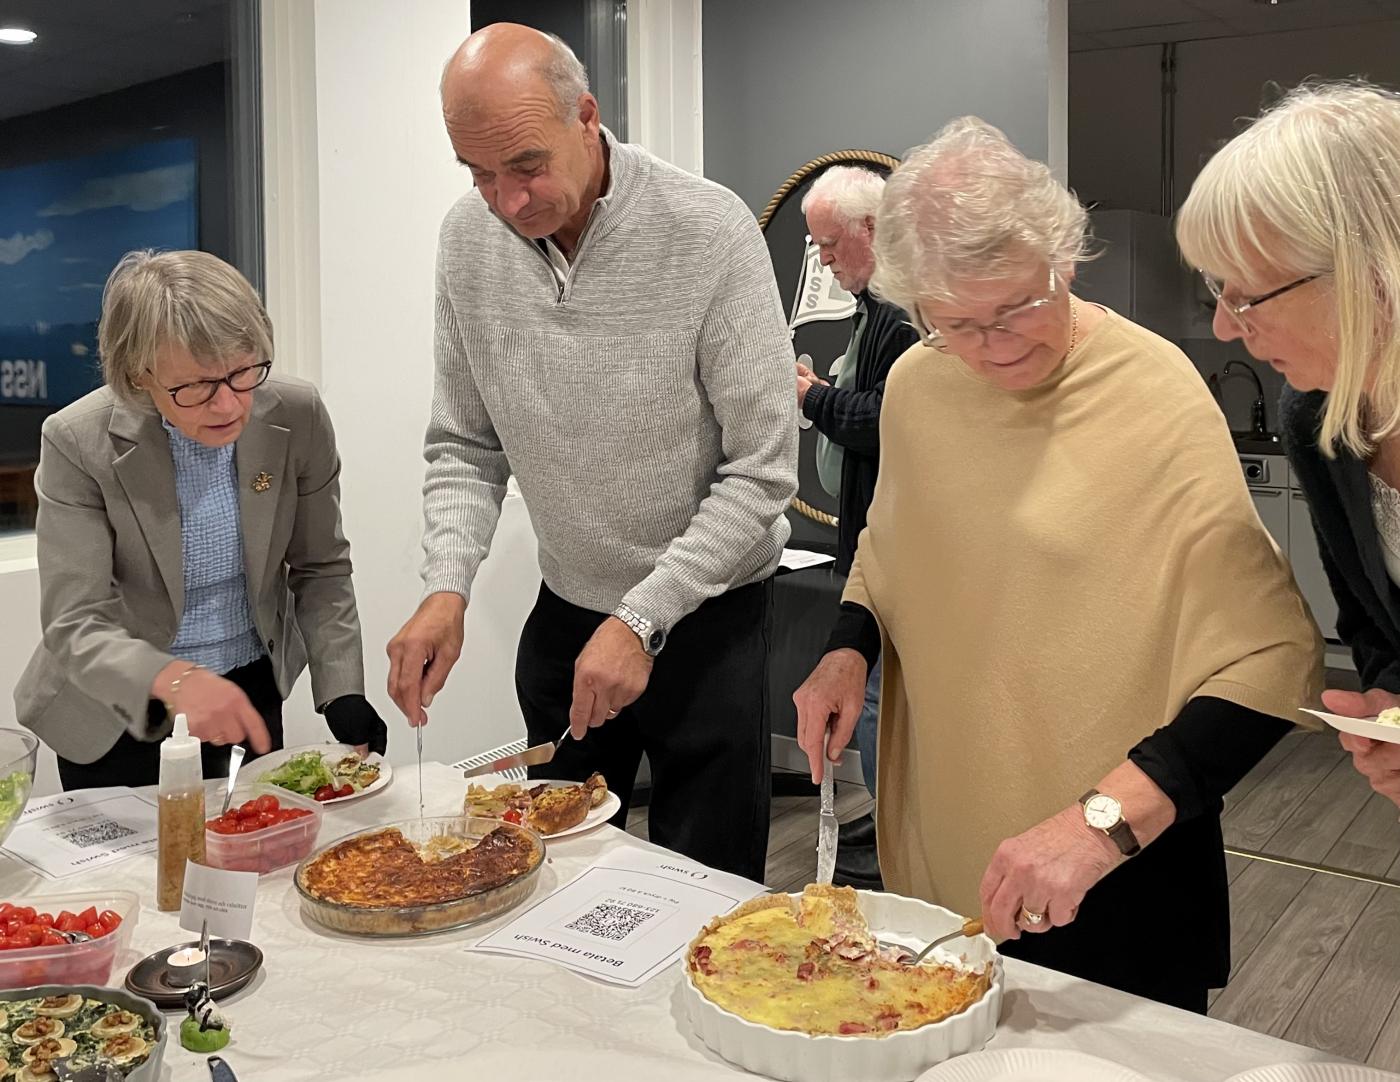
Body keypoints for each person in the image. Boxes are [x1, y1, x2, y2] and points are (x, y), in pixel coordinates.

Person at [792, 117, 1323, 1011]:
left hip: (1116, 861)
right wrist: (849, 645)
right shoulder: (922, 385)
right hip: (947, 847)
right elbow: (891, 547)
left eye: (1018, 309)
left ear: (1062, 261)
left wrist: (1100, 825)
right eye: (957, 322)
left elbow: (1271, 656)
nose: (995, 348)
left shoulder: (1152, 389)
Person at [386, 25, 797, 882]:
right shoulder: (468, 242)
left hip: (706, 619)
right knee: (547, 872)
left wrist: (644, 616)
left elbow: (762, 471)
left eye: (525, 165)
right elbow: (465, 441)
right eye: (477, 173)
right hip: (568, 611)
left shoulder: (708, 229)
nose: (505, 200)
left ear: (587, 117)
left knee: (704, 888)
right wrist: (444, 586)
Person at [14, 250, 387, 790]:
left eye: (243, 372)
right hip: (119, 710)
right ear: (139, 376)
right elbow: (76, 624)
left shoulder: (296, 414)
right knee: (144, 873)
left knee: (252, 862)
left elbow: (321, 566)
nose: (228, 405)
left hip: (245, 694)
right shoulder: (78, 442)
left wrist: (341, 685)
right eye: (195, 387)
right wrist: (180, 681)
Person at [1177, 81, 1400, 811]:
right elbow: (1373, 625)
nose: (1222, 327)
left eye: (1245, 294)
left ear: (1370, 275)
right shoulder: (1315, 416)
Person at [796, 165, 918, 888]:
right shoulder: (874, 309)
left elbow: (889, 422)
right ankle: (889, 830)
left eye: (831, 244)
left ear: (871, 230)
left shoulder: (903, 316)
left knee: (872, 700)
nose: (825, 261)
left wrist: (814, 400)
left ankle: (893, 846)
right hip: (868, 538)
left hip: (891, 546)